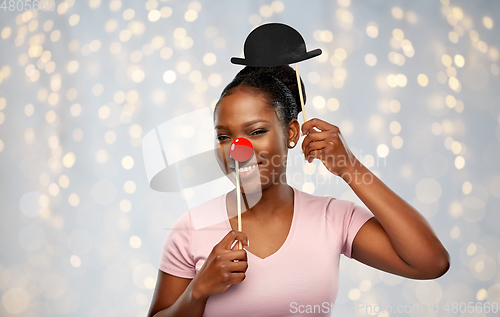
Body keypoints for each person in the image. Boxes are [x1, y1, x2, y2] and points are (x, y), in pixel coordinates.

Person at [147, 66, 450, 317]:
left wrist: (350, 168)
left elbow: (430, 262)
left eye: (256, 132)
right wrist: (198, 291)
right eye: (225, 136)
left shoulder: (332, 218)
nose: (238, 151)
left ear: (291, 133)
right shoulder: (190, 228)